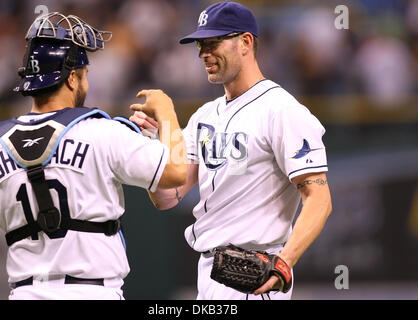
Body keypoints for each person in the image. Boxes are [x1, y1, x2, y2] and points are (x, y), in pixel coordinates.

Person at [0, 12, 187, 300]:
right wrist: (167, 111)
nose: (86, 83)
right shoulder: (103, 133)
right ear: (72, 78)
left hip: (25, 293)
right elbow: (176, 173)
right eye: (84, 76)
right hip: (93, 292)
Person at [131, 1, 332, 300]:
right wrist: (153, 145)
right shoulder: (204, 116)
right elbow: (166, 197)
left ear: (245, 42)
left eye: (213, 43)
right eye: (200, 45)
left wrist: (284, 264)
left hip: (254, 273)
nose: (203, 53)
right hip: (209, 273)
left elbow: (319, 199)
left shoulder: (282, 110)